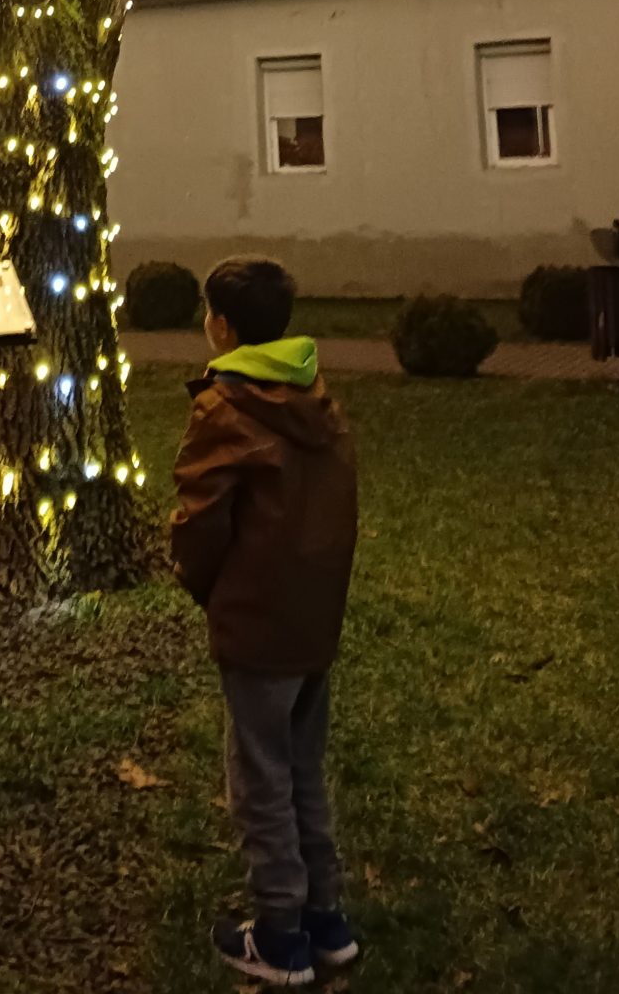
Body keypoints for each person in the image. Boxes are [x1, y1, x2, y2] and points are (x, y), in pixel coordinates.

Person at [171, 257, 360, 986]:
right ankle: (326, 917)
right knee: (303, 766)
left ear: (220, 326)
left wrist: (204, 584)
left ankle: (280, 934)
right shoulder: (316, 397)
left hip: (257, 621)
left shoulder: (225, 409)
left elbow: (200, 522)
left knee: (260, 778)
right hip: (313, 615)